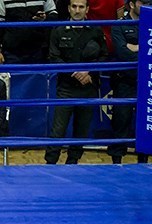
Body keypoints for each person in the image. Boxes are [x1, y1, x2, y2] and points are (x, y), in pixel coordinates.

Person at [44, 0, 108, 165]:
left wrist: (89, 72)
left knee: (81, 131)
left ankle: (72, 164)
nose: (77, 10)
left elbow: (104, 56)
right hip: (66, 88)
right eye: (74, 6)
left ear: (87, 9)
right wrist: (75, 72)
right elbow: (54, 57)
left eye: (81, 7)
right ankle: (50, 165)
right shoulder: (58, 30)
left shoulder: (95, 30)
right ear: (68, 8)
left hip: (89, 87)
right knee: (58, 130)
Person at [107, 0, 148, 164]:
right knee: (120, 122)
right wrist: (144, 49)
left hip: (145, 82)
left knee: (145, 124)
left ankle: (144, 162)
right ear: (132, 4)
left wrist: (135, 47)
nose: (145, 6)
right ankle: (116, 163)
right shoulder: (119, 25)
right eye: (142, 2)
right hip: (123, 81)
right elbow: (122, 52)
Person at [0, 0, 60, 64]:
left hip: (39, 50)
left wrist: (45, 18)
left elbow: (53, 14)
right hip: (12, 52)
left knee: (39, 77)